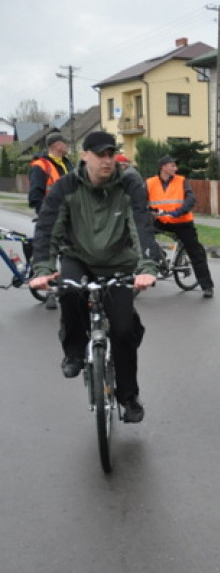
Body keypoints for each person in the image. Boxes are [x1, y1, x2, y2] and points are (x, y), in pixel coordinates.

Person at [28, 131, 158, 423]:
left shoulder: (130, 184)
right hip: (78, 258)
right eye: (101, 154)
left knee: (123, 331)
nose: (107, 160)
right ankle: (74, 352)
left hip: (118, 262)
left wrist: (147, 268)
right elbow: (48, 229)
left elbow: (141, 226)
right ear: (84, 155)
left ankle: (128, 397)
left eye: (111, 154)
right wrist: (42, 270)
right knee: (70, 292)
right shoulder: (65, 187)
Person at [147, 155, 215, 297]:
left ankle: (207, 286)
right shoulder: (150, 182)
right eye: (172, 166)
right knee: (141, 236)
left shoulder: (182, 181)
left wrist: (179, 212)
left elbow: (191, 199)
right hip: (160, 220)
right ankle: (157, 259)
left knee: (195, 252)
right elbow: (140, 199)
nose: (176, 168)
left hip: (181, 222)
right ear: (163, 167)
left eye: (175, 166)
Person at [28, 132, 74, 310]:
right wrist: (46, 216)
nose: (68, 145)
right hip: (52, 218)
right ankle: (50, 294)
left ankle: (69, 289)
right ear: (56, 145)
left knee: (70, 254)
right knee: (50, 254)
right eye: (65, 142)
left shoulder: (67, 164)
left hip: (69, 217)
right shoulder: (41, 166)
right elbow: (35, 196)